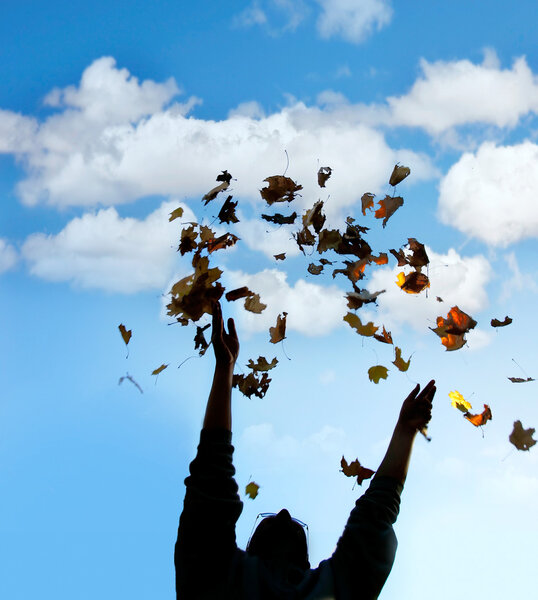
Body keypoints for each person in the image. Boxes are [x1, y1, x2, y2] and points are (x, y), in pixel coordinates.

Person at [175, 301, 436, 599]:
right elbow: (375, 518)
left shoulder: (215, 578)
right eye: (290, 522)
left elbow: (210, 486)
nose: (285, 513)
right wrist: (404, 432)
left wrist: (225, 370)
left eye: (274, 518)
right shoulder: (335, 589)